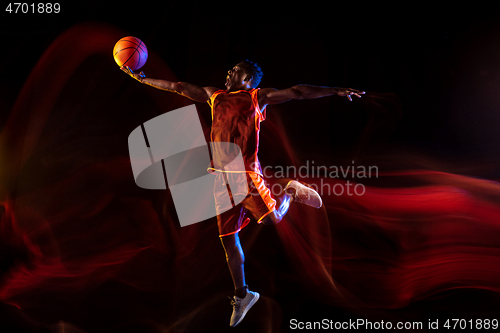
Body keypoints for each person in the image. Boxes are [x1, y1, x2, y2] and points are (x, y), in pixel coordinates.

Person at [121, 60, 364, 327]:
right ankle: (243, 294)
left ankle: (290, 191)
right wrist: (143, 79)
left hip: (246, 173)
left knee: (272, 219)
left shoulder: (256, 97)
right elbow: (178, 87)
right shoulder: (215, 95)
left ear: (248, 79)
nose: (228, 72)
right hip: (219, 177)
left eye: (234, 70)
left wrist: (335, 90)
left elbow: (297, 91)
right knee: (228, 240)